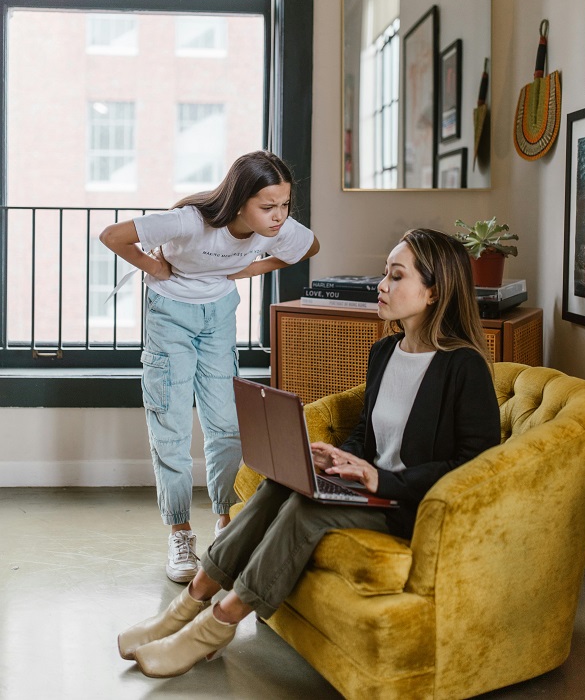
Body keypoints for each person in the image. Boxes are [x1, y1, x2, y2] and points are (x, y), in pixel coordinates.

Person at [117, 227, 500, 678]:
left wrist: (381, 480)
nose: (382, 285)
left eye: (397, 277)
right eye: (385, 274)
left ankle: (214, 629)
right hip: (368, 488)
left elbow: (477, 465)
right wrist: (339, 459)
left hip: (407, 503)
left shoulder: (464, 366)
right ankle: (189, 604)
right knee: (284, 482)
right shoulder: (384, 352)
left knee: (306, 510)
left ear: (434, 292)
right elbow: (366, 434)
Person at [101, 150, 319, 583]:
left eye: (285, 205)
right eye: (268, 207)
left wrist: (246, 269)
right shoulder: (188, 222)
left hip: (219, 314)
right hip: (169, 315)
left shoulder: (277, 226)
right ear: (240, 203)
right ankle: (180, 532)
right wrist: (153, 267)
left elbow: (308, 247)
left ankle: (226, 522)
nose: (279, 217)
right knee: (172, 424)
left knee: (226, 424)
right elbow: (112, 235)